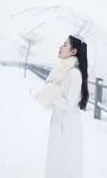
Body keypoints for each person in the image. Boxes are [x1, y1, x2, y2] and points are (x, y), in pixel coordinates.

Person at [37, 34, 89, 178]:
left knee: (68, 164)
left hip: (68, 126)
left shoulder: (74, 73)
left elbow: (69, 105)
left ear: (74, 51)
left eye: (65, 45)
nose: (60, 47)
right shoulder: (64, 72)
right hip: (59, 122)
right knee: (56, 161)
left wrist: (51, 92)